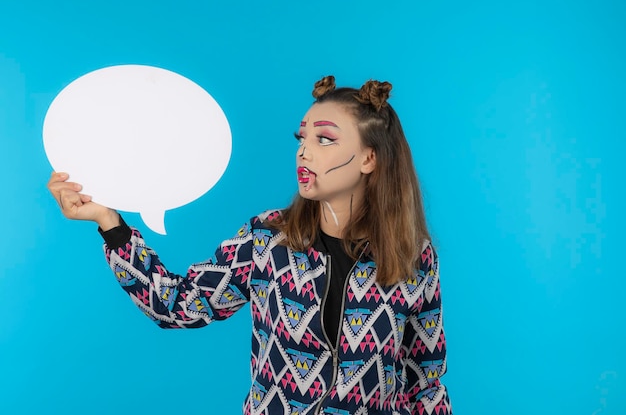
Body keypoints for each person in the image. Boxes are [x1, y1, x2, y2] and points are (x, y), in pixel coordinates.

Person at [48, 75, 453, 415]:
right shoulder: (268, 239)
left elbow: (426, 381)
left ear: (369, 158)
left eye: (325, 140)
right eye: (301, 138)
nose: (304, 151)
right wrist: (110, 225)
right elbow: (176, 306)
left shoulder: (412, 254)